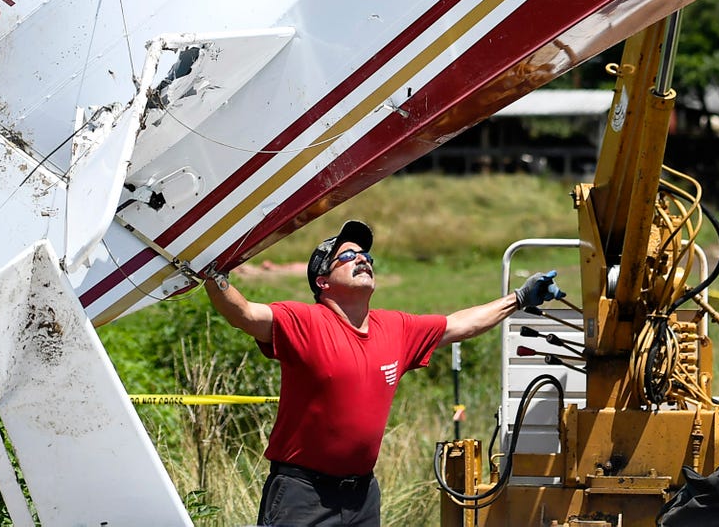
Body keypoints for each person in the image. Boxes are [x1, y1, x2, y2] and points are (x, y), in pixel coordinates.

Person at [203, 218, 563, 527]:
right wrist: (214, 274)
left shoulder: (395, 328)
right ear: (322, 282)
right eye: (347, 256)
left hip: (362, 496)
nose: (362, 259)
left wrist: (518, 298)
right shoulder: (305, 321)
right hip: (302, 494)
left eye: (365, 256)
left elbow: (459, 325)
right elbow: (246, 315)